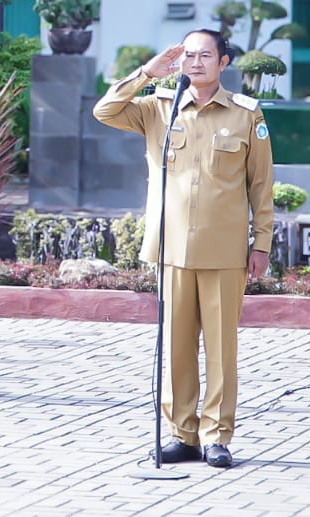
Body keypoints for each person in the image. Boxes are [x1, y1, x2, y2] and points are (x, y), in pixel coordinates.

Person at [92, 29, 273, 469]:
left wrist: (261, 244)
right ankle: (182, 433)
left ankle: (216, 435)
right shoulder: (158, 107)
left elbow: (261, 185)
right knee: (175, 347)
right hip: (172, 247)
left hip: (224, 248)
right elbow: (104, 110)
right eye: (188, 55)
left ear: (224, 62)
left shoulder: (246, 114)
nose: (195, 62)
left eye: (205, 55)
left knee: (221, 348)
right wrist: (146, 73)